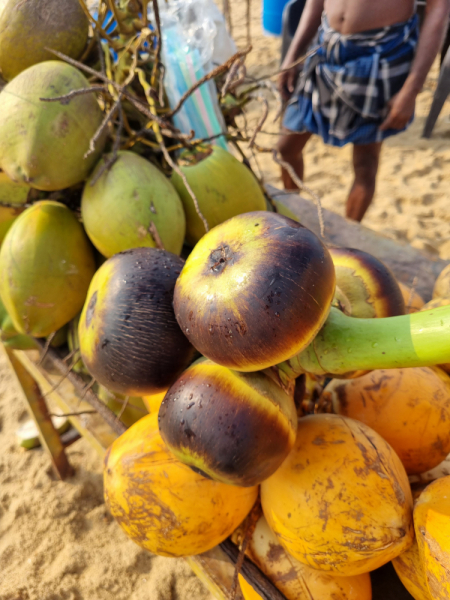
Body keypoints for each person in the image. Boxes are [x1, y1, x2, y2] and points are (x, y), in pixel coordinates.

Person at [278, 0, 450, 221]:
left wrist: (411, 90)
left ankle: (350, 232)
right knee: (285, 148)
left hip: (382, 55)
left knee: (365, 163)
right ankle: (292, 217)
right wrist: (292, 55)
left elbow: (438, 8)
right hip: (326, 47)